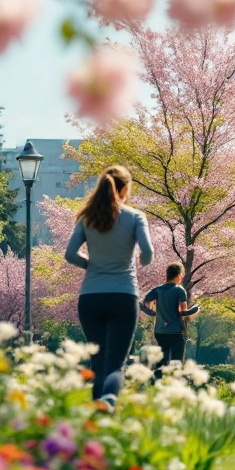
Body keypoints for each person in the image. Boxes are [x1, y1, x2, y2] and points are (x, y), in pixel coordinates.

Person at [64, 165, 154, 404]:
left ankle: (97, 416)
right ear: (124, 189)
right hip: (123, 295)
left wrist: (93, 265)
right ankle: (110, 405)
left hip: (91, 297)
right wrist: (139, 261)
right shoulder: (135, 217)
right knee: (116, 363)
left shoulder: (87, 218)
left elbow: (71, 254)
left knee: (98, 360)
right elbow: (147, 252)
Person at [140, 263, 194, 378]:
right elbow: (182, 311)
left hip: (160, 331)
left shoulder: (158, 290)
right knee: (176, 362)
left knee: (162, 361)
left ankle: (157, 384)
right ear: (179, 275)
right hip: (176, 331)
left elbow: (145, 301)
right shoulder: (179, 290)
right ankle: (174, 387)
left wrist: (152, 311)